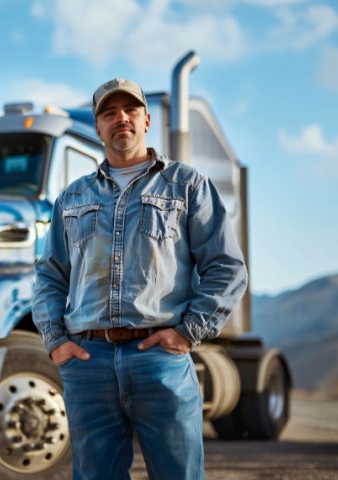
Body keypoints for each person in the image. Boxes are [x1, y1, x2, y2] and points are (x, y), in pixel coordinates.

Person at [32, 77, 248, 480]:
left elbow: (226, 267)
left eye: (130, 110)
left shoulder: (187, 185)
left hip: (159, 359)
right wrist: (56, 342)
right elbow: (49, 275)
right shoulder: (73, 198)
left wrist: (186, 333)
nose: (121, 119)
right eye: (109, 113)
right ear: (98, 128)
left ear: (146, 120)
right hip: (88, 363)